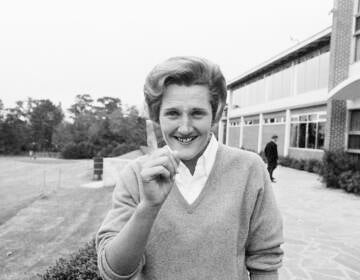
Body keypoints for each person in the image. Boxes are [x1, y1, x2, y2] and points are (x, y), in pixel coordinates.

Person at [96, 56, 283, 280]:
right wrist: (148, 207)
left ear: (216, 114)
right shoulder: (136, 175)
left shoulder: (250, 169)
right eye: (173, 113)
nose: (185, 128)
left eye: (197, 113)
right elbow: (113, 272)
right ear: (157, 116)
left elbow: (265, 263)